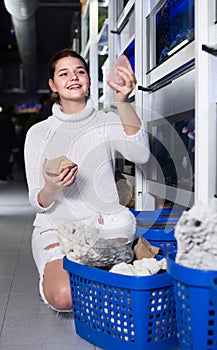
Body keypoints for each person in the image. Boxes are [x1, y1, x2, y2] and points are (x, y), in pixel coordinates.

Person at [24, 48, 150, 312]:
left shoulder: (107, 120)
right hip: (56, 226)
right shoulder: (39, 133)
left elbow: (141, 154)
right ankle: (76, 274)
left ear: (89, 79)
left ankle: (97, 269)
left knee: (124, 283)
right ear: (53, 85)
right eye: (64, 73)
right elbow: (37, 201)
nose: (74, 77)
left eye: (80, 71)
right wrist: (51, 186)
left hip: (104, 223)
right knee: (64, 297)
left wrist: (123, 100)